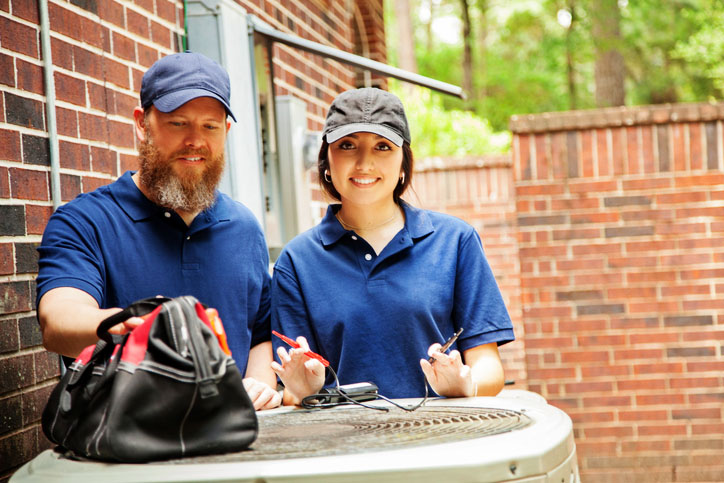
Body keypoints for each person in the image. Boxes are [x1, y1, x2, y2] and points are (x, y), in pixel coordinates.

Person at [36, 51, 280, 410]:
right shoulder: (83, 221)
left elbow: (260, 333)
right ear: (142, 123)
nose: (195, 141)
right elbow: (58, 322)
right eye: (178, 123)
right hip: (124, 447)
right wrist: (134, 326)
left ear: (226, 131)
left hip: (233, 438)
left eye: (210, 126)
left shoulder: (244, 227)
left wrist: (258, 385)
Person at [270, 87, 515, 405]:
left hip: (443, 444)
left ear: (403, 164)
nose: (364, 162)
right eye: (347, 145)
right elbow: (291, 389)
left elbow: (488, 368)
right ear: (327, 160)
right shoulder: (297, 261)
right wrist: (304, 392)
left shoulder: (455, 242)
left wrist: (464, 385)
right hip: (342, 448)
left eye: (382, 147)